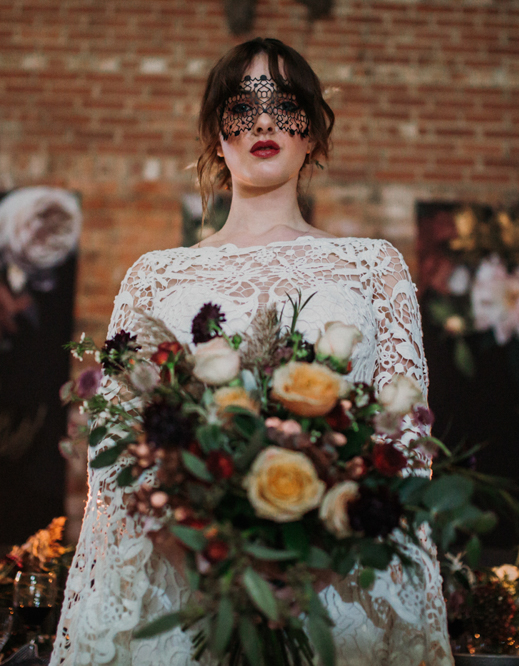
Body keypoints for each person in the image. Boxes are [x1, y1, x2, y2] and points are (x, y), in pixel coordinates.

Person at [50, 38, 454, 666]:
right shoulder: (155, 277)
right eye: (242, 106)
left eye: (285, 104)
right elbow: (119, 447)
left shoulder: (373, 268)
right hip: (188, 593)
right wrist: (213, 560)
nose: (264, 121)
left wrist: (310, 568)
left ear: (313, 133)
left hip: (337, 590)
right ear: (217, 135)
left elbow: (404, 443)